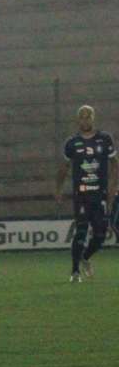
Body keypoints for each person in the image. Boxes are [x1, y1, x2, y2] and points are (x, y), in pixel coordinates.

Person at [54, 105, 117, 282]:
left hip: (100, 195)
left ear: (93, 118)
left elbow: (115, 164)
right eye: (82, 117)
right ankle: (75, 272)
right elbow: (63, 168)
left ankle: (86, 258)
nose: (85, 120)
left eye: (88, 117)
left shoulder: (105, 139)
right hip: (81, 195)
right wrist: (58, 189)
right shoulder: (71, 143)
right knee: (81, 231)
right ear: (78, 120)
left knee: (100, 235)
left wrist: (113, 187)